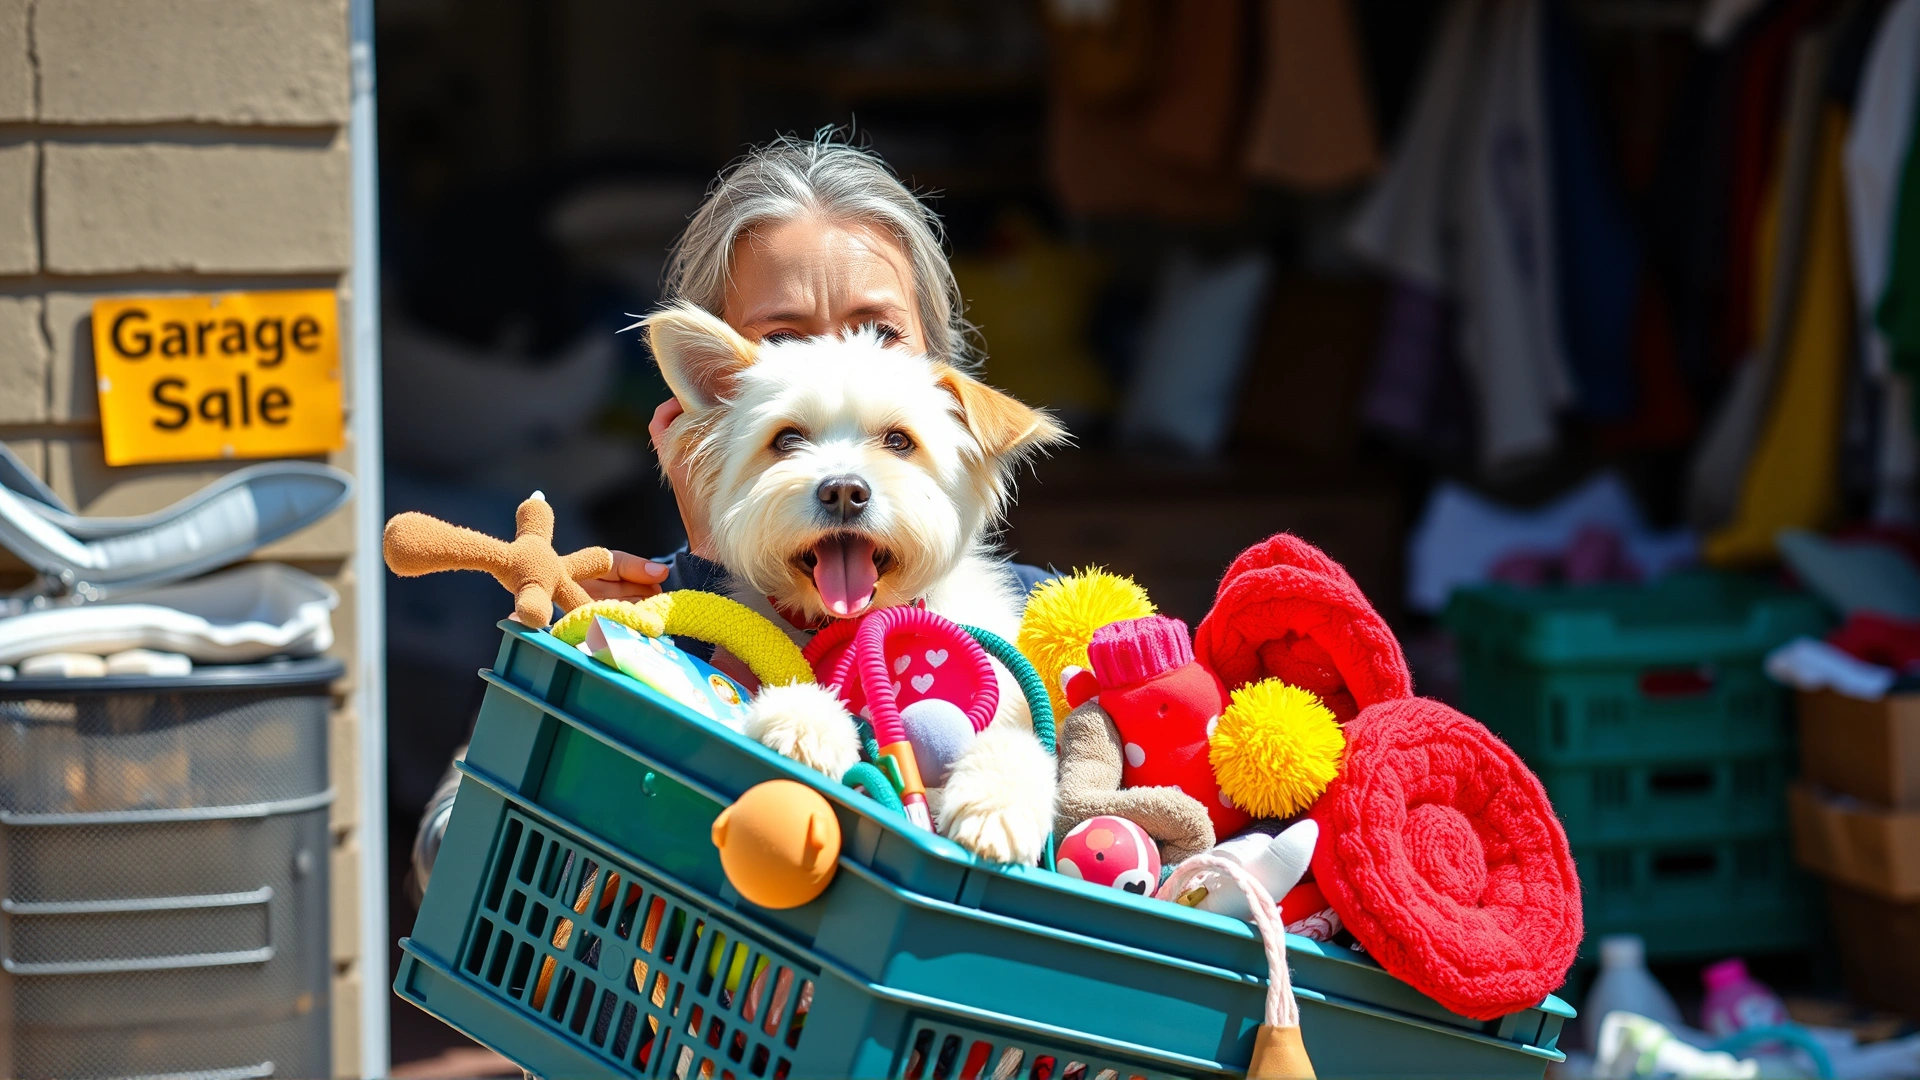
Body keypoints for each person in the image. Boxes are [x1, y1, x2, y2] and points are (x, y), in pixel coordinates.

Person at [580, 132, 1053, 604]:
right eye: (783, 341)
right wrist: (708, 571)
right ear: (717, 386)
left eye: (879, 333)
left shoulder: (1044, 622)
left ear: (936, 356)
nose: (836, 365)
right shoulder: (633, 624)